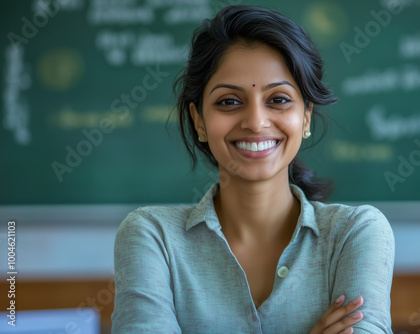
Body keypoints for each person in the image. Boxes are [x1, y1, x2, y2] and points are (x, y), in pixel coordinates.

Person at [112, 5, 395, 334]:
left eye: (278, 99)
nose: (256, 122)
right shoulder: (151, 237)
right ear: (199, 121)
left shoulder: (355, 234)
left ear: (305, 117)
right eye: (229, 101)